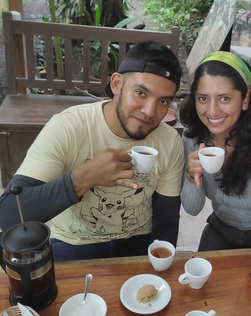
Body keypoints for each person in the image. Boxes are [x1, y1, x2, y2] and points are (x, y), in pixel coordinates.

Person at [0, 41, 184, 260]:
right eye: (141, 93)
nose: (150, 111)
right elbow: (9, 213)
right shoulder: (68, 127)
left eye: (163, 101)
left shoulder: (170, 141)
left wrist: (159, 263)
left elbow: (166, 218)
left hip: (138, 243)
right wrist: (83, 178)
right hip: (73, 243)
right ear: (116, 84)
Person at [179, 51, 251, 251]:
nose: (212, 111)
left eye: (224, 98)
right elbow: (192, 209)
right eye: (203, 98)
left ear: (245, 99)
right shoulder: (193, 138)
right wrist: (192, 175)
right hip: (220, 229)